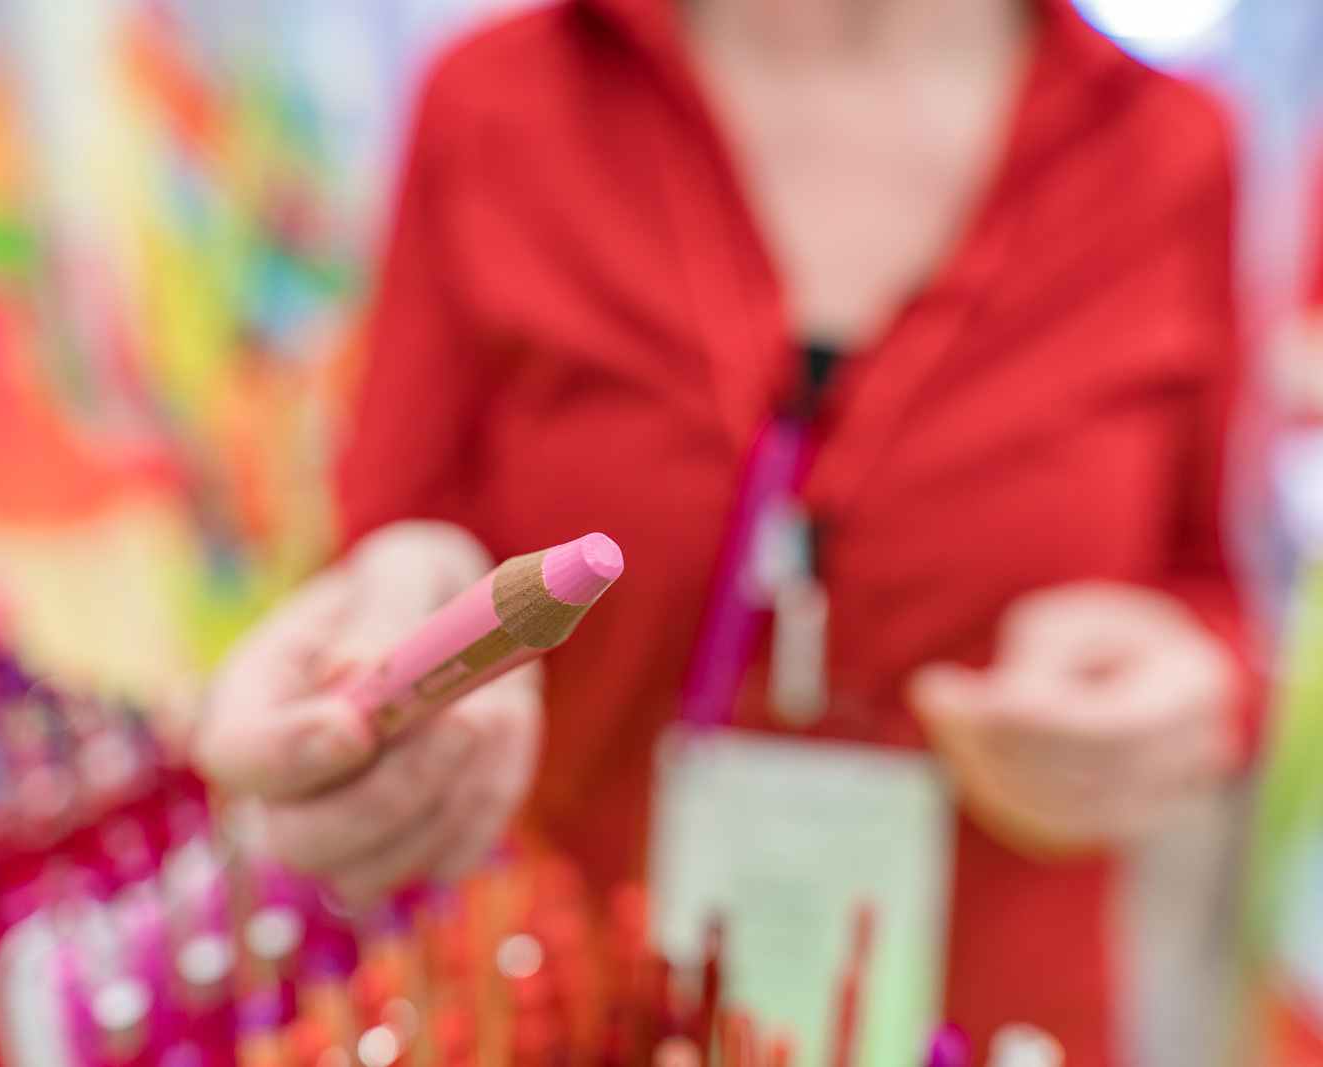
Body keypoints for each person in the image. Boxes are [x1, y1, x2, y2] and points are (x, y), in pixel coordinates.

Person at [193, 0, 1259, 1062]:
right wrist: (385, 639)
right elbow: (393, 536)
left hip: (993, 1022)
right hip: (568, 1007)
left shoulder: (1168, 146)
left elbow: (1211, 594)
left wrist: (1193, 694)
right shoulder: (496, 101)